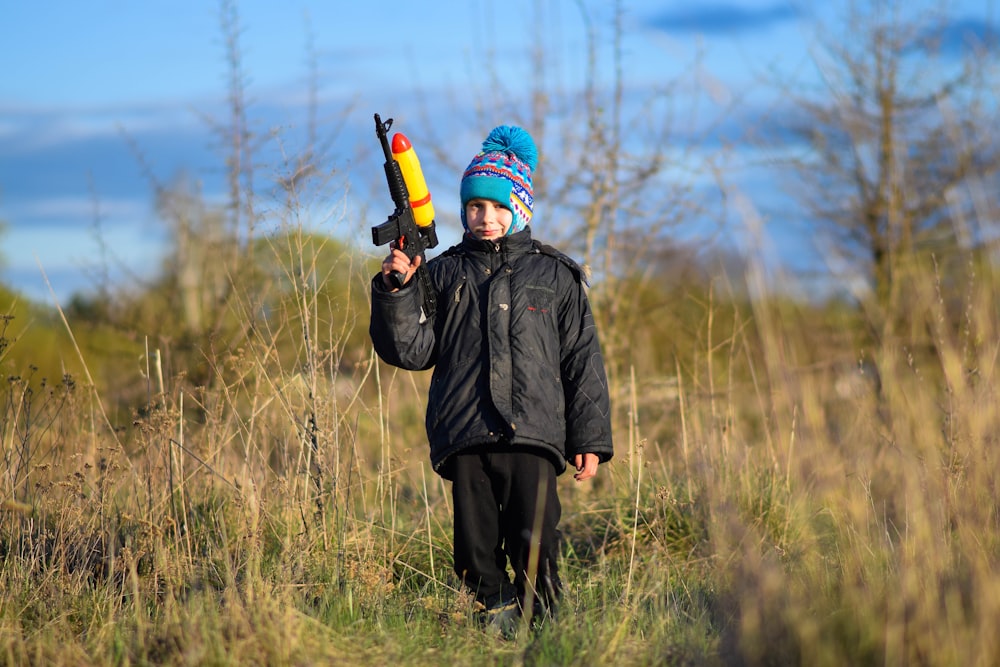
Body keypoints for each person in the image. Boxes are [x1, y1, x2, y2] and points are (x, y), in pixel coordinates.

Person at [369, 124, 614, 635]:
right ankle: (498, 618)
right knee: (473, 548)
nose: (487, 218)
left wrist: (588, 438)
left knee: (535, 541)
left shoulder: (556, 276)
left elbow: (582, 360)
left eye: (500, 208)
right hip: (467, 434)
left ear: (521, 209)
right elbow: (413, 351)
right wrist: (398, 291)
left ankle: (545, 629)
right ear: (463, 211)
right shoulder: (442, 272)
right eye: (476, 207)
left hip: (535, 435)